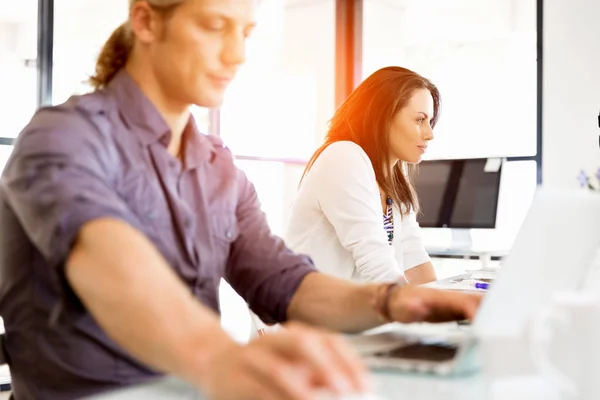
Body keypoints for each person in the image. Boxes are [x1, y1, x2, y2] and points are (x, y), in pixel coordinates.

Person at [0, 1, 481, 399]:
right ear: (146, 21)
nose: (236, 55)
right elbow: (109, 262)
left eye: (246, 34)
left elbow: (287, 284)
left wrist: (400, 303)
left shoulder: (215, 166)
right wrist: (220, 357)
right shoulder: (62, 138)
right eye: (214, 27)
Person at [285, 67, 440, 286]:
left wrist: (452, 307)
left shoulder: (394, 178)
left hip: (350, 314)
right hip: (309, 314)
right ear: (384, 115)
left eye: (430, 122)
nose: (429, 133)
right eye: (419, 120)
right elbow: (375, 262)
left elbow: (416, 264)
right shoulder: (343, 157)